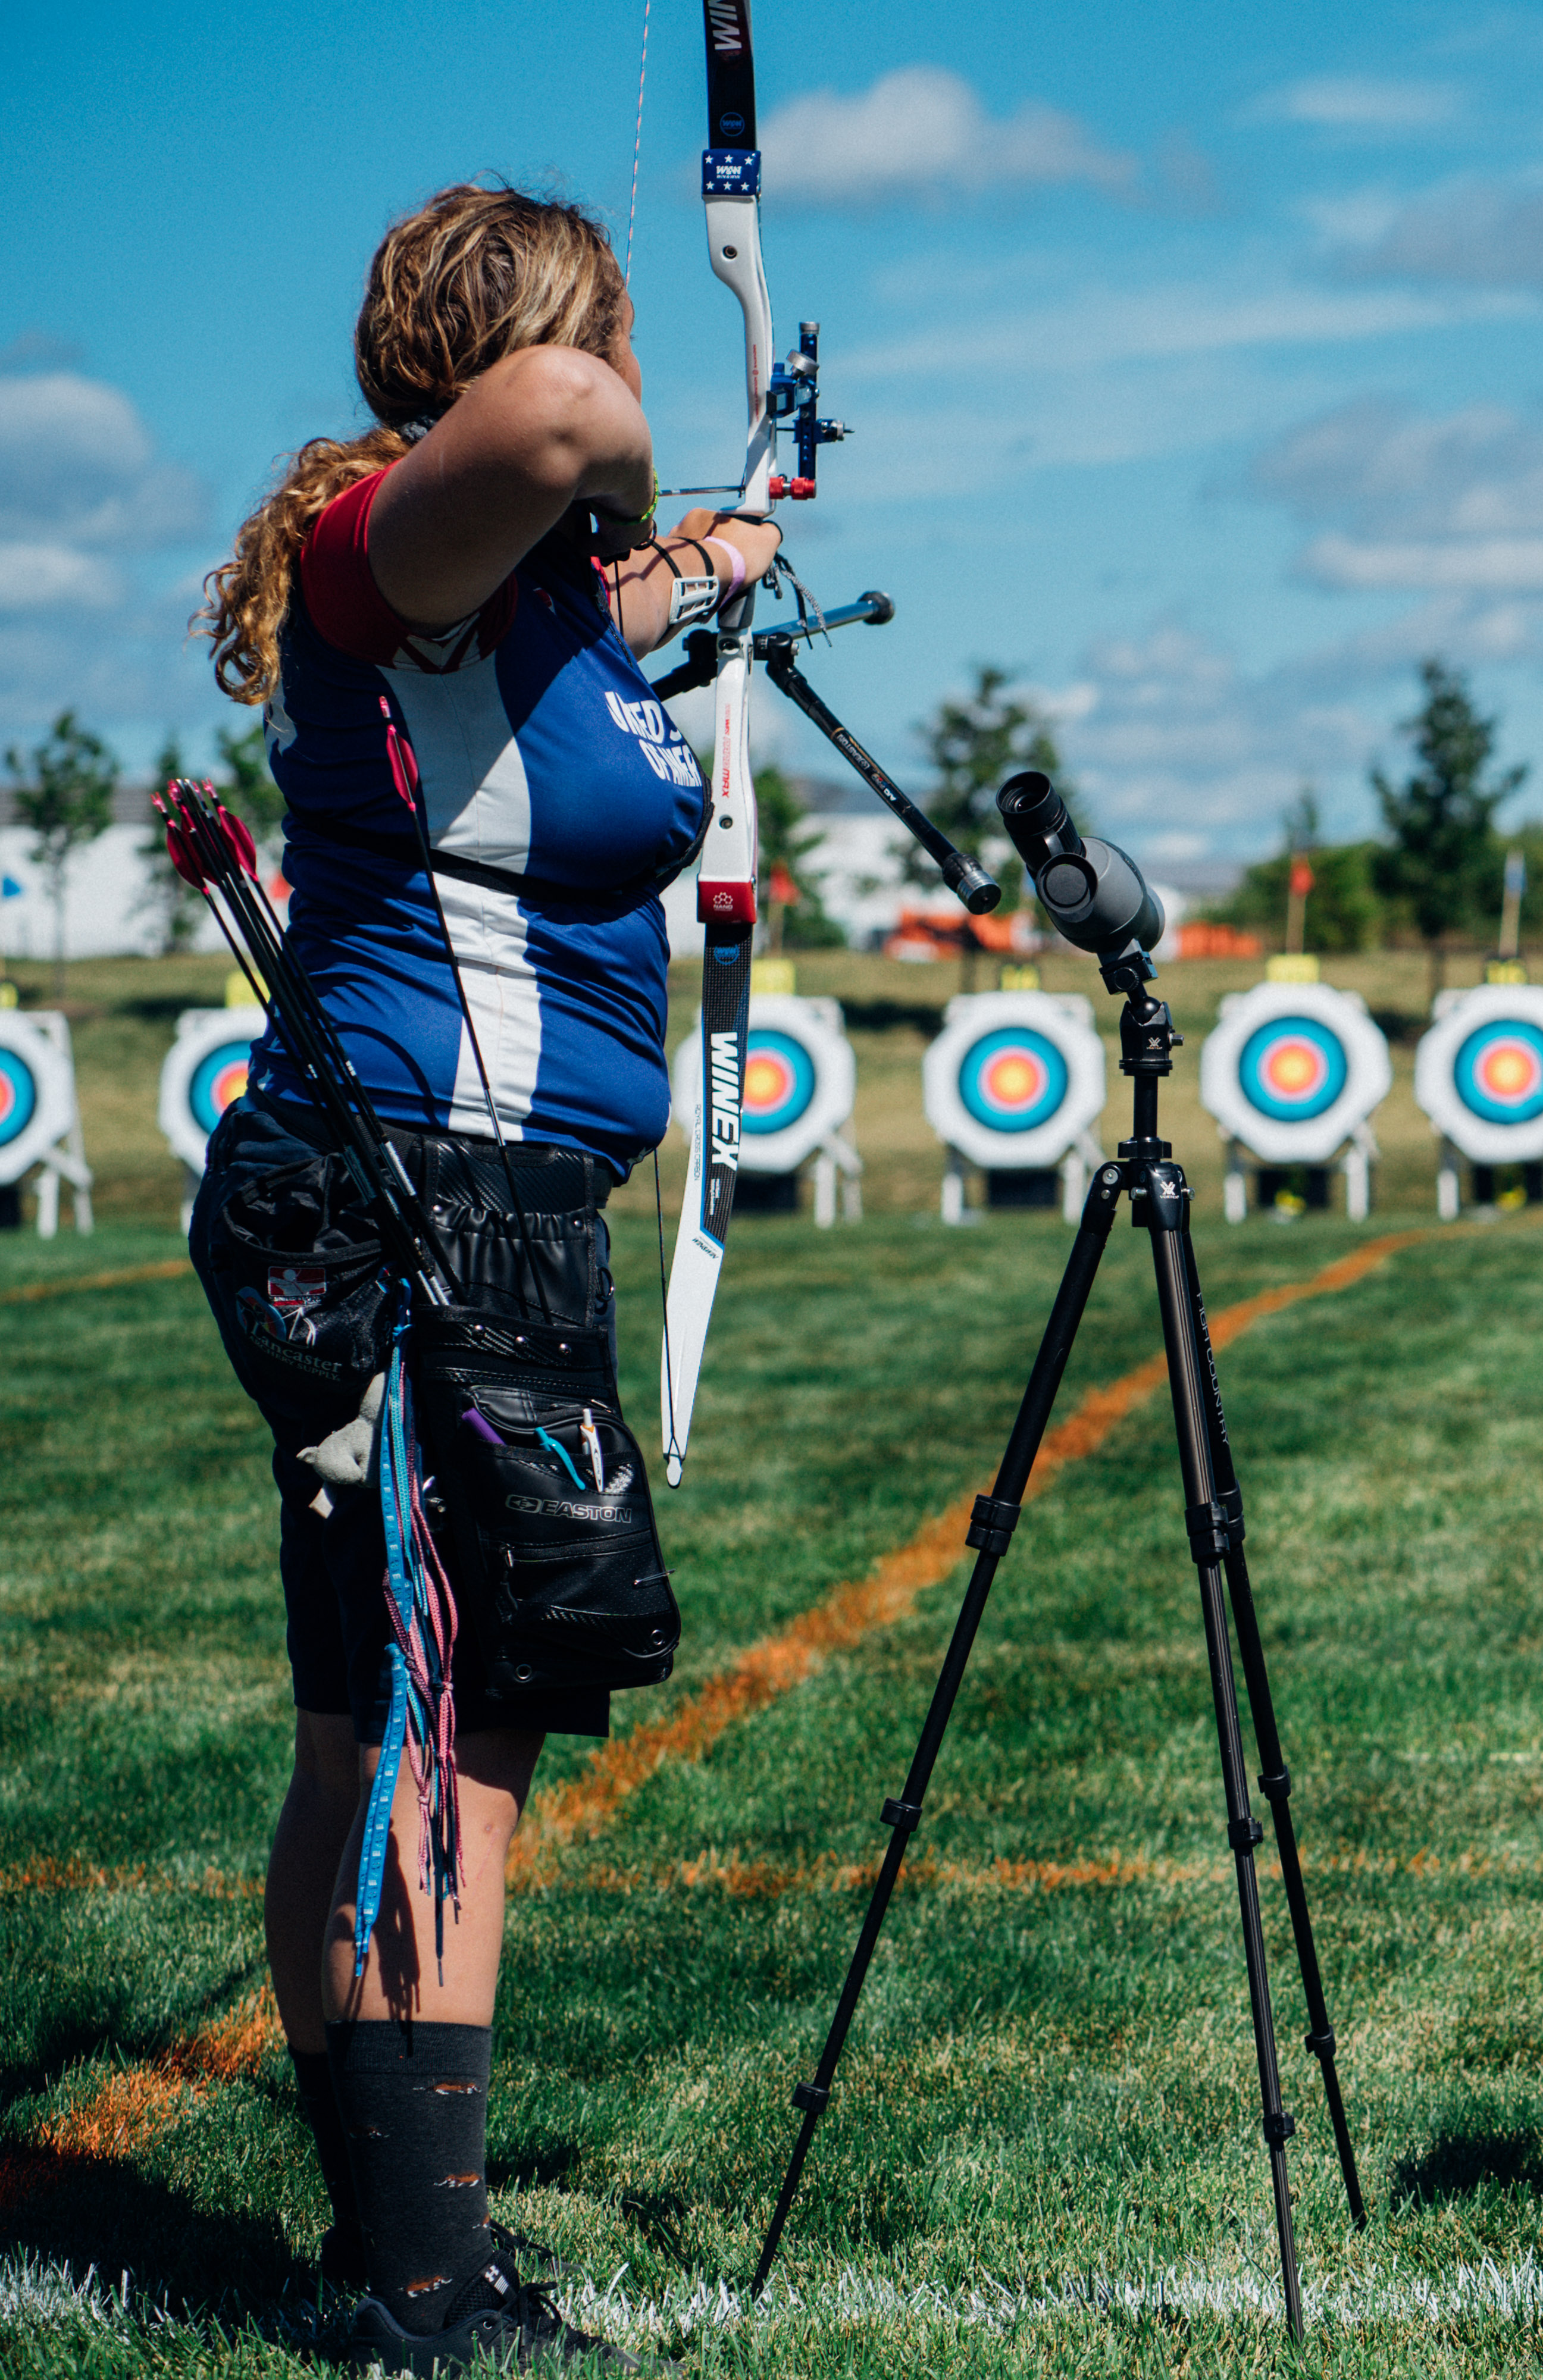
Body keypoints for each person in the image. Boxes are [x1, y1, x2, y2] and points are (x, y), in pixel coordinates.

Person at [192, 180, 776, 2372]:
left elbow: (566, 630)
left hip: (457, 1206)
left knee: (386, 1715)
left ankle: (388, 2261)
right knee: (449, 1737)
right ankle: (425, 2298)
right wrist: (629, 463)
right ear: (552, 331)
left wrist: (702, 567)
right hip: (411, 1202)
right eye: (611, 332)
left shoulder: (511, 604)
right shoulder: (390, 548)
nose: (616, 382)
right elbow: (545, 421)